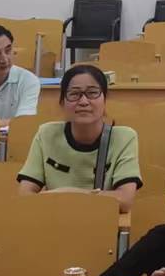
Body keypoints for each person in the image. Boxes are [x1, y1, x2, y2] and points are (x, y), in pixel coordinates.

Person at [16, 64, 143, 211]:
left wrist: (66, 194)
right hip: (54, 218)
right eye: (74, 94)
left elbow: (125, 200)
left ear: (105, 99)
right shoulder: (46, 134)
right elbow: (25, 195)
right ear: (62, 102)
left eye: (93, 93)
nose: (83, 101)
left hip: (100, 220)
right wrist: (93, 197)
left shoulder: (124, 138)